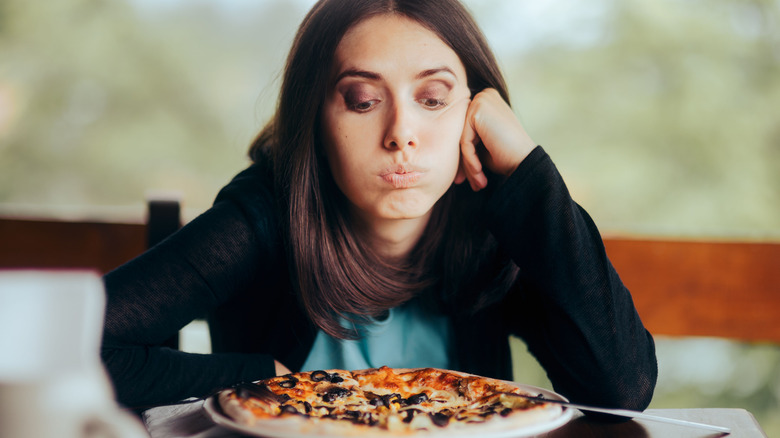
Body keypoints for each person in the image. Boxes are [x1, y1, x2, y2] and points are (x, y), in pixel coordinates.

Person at [101, 0, 658, 414]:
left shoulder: (493, 224)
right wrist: (256, 378)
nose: (401, 134)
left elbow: (621, 387)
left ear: (473, 113)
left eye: (434, 99)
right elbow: (74, 348)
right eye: (363, 101)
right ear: (314, 120)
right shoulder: (262, 219)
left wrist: (528, 172)